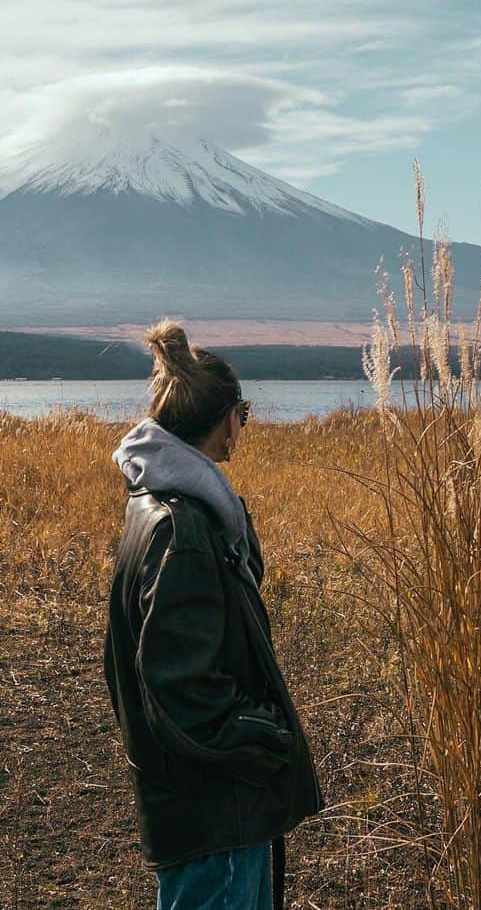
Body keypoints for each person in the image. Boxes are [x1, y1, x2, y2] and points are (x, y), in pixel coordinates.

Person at [103, 319, 323, 910]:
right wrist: (260, 736)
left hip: (205, 810)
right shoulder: (186, 531)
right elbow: (180, 683)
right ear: (226, 417)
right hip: (215, 815)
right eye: (243, 415)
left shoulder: (156, 508)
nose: (242, 430)